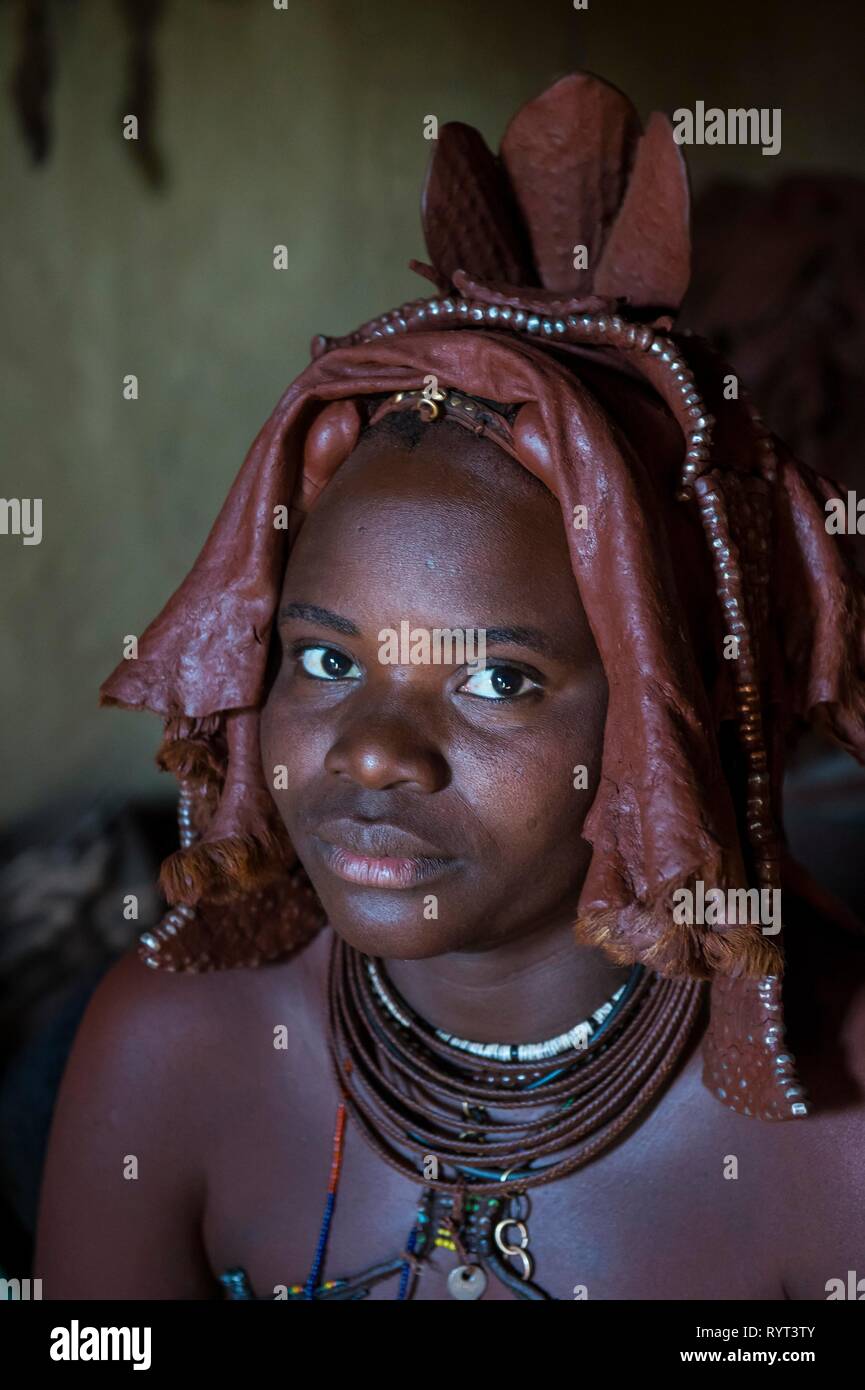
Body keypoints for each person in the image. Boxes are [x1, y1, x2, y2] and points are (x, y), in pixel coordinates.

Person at [35, 72, 865, 1301]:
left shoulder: (834, 1116)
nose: (371, 750)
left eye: (496, 678)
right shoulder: (172, 1046)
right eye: (323, 660)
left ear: (659, 718)